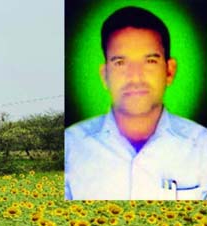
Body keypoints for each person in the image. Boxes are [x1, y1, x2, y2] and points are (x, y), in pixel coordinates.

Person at [65, 6, 207, 200]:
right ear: (105, 75)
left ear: (169, 71)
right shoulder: (70, 147)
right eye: (120, 62)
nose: (135, 77)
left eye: (150, 61)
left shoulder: (202, 147)